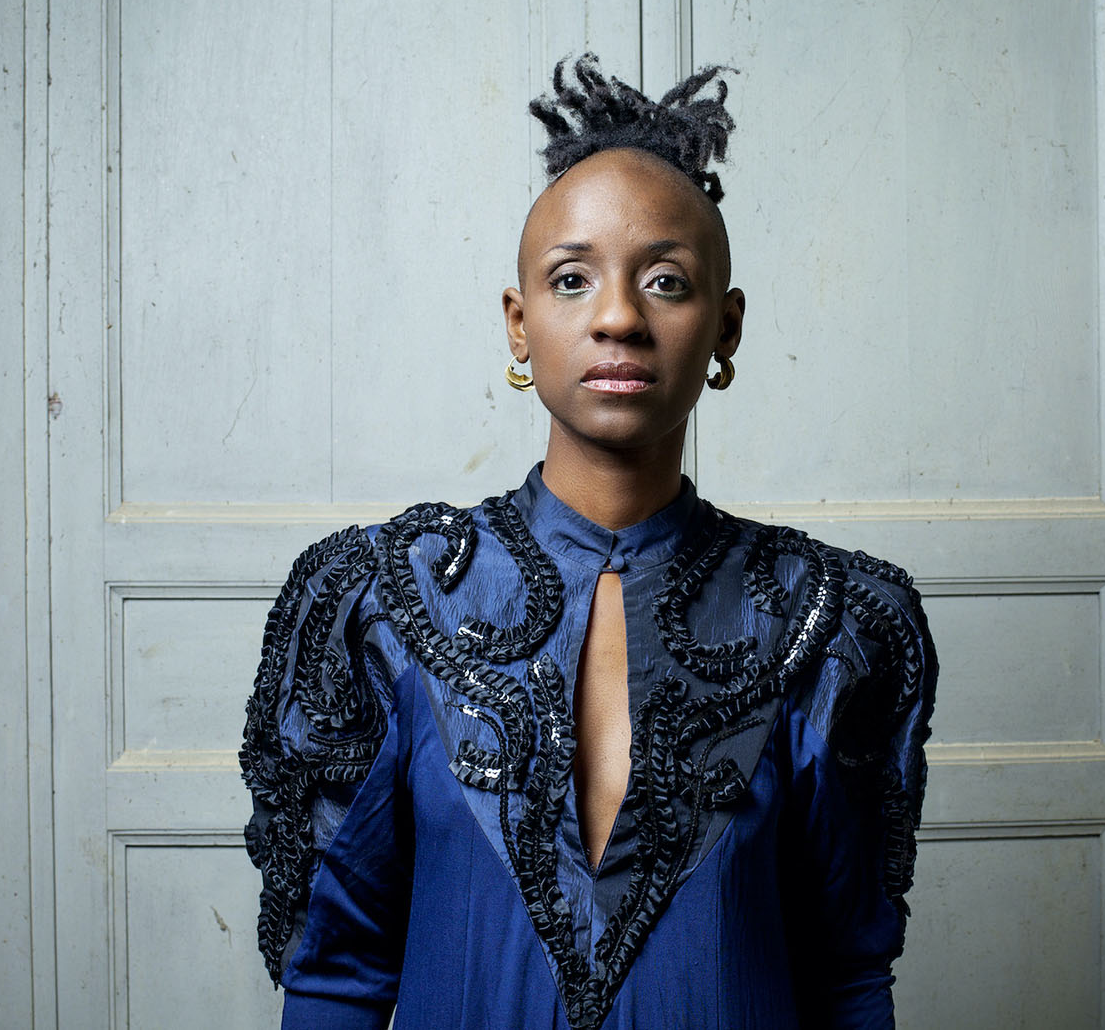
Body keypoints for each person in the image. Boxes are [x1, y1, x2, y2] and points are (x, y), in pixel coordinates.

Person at [240, 54, 938, 1030]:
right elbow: (335, 971)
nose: (617, 317)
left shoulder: (827, 621)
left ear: (726, 326)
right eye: (572, 280)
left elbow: (847, 978)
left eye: (665, 281)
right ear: (518, 325)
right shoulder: (386, 602)